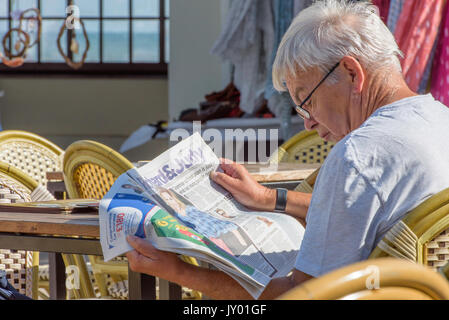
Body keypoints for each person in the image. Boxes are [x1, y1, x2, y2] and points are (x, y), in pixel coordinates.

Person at [126, 0, 449, 299]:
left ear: (352, 72)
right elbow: (362, 213)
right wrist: (268, 198)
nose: (307, 123)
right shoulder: (439, 119)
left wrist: (179, 272)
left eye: (306, 102)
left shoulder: (358, 155)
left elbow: (302, 295)